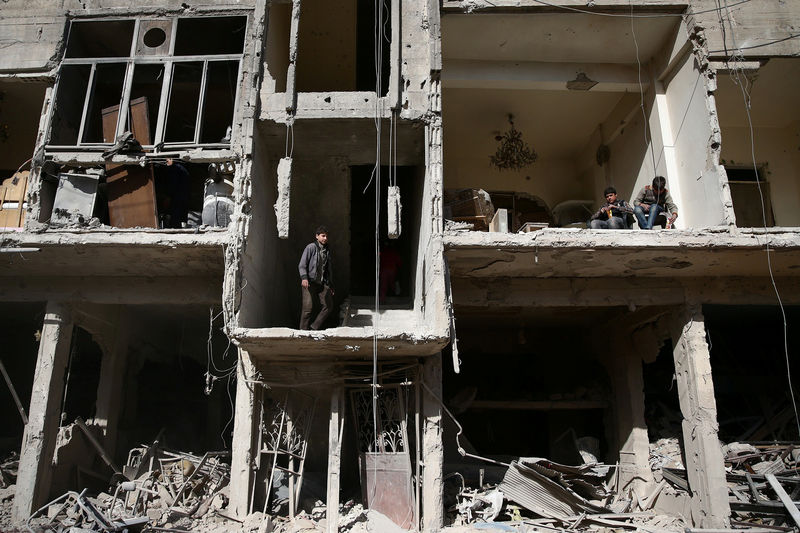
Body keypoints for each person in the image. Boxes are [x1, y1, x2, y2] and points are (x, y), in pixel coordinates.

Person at [298, 226, 334, 330]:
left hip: (322, 283)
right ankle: (303, 331)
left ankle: (314, 327)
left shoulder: (327, 250)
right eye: (323, 236)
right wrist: (304, 278)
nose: (325, 238)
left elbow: (328, 269)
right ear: (317, 236)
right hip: (309, 282)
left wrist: (330, 285)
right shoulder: (311, 247)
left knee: (328, 306)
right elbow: (302, 264)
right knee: (307, 309)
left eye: (327, 236)